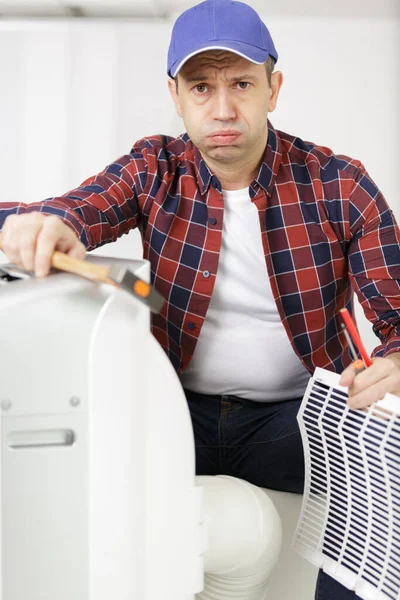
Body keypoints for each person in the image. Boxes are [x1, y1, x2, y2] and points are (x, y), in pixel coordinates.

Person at [1, 0, 400, 597]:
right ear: (175, 94)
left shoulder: (339, 183)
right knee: (73, 496)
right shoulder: (154, 166)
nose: (222, 109)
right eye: (200, 87)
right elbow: (74, 209)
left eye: (241, 84)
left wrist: (394, 364)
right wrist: (40, 223)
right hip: (172, 410)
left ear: (273, 88)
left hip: (297, 421)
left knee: (385, 500)